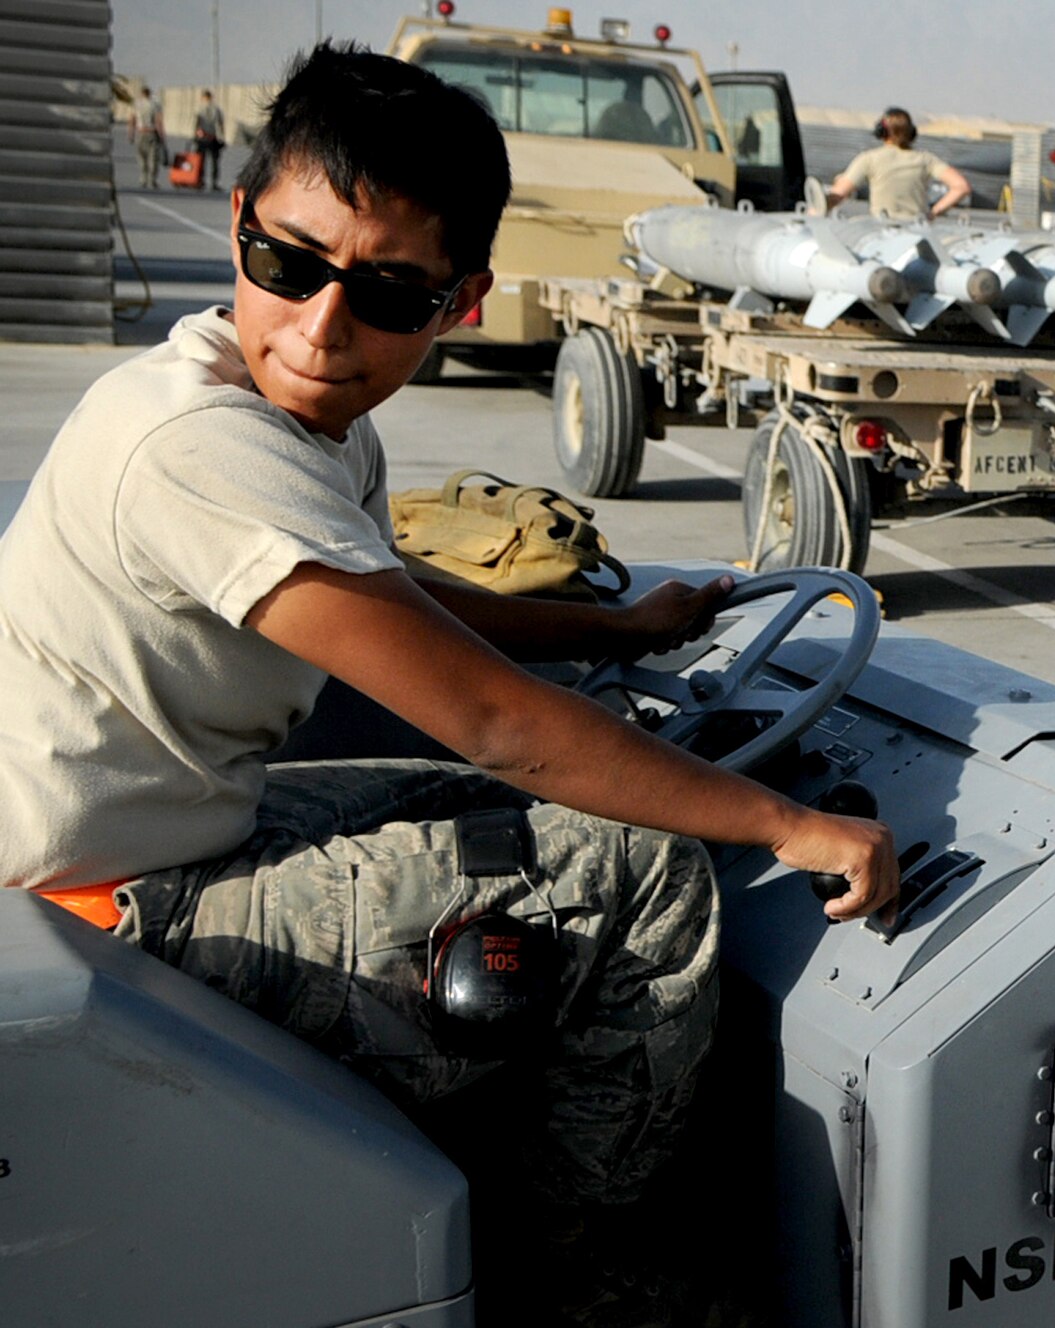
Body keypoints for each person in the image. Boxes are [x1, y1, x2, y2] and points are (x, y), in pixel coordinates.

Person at [0, 41, 896, 1324]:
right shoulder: (202, 445)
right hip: (108, 915)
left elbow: (405, 613)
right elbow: (494, 720)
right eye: (289, 265)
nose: (321, 326)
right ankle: (580, 1274)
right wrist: (787, 822)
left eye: (385, 292)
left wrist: (615, 630)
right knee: (644, 867)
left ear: (458, 300)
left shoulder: (272, 406)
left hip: (152, 838)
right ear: (240, 226)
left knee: (488, 796)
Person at [824, 105, 970, 221]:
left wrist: (816, 210)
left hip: (882, 231)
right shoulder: (926, 160)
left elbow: (838, 194)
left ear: (881, 132)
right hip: (917, 233)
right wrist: (933, 213)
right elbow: (961, 187)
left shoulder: (869, 159)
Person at [128, 83, 163, 189]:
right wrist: (161, 136)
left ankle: (143, 179)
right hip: (152, 133)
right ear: (149, 94)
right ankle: (152, 180)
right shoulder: (155, 105)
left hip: (141, 133)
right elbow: (158, 121)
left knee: (142, 157)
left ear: (141, 94)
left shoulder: (136, 104)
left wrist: (131, 134)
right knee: (153, 158)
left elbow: (132, 120)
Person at [193, 88, 226, 190]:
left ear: (203, 97)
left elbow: (196, 124)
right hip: (213, 138)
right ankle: (214, 182)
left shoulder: (199, 109)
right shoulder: (217, 109)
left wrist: (195, 135)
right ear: (211, 97)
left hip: (202, 138)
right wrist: (222, 137)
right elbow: (221, 125)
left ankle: (200, 181)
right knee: (215, 162)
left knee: (201, 161)